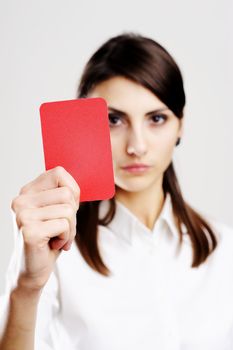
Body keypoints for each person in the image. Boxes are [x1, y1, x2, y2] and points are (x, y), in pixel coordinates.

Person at [0, 32, 233, 350]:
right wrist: (26, 285)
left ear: (181, 124)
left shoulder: (225, 249)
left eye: (157, 118)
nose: (137, 146)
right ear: (85, 123)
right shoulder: (55, 256)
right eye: (114, 120)